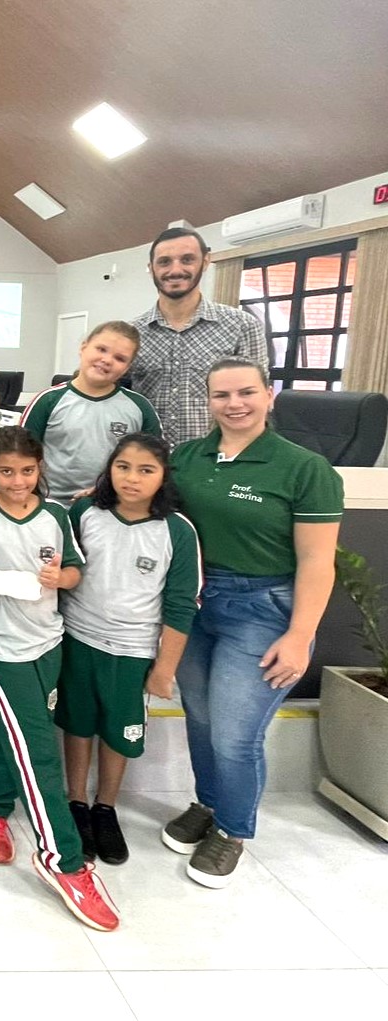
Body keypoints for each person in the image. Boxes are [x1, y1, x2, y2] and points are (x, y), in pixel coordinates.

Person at [163, 357, 342, 888]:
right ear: (208, 401)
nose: (234, 404)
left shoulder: (304, 469)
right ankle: (209, 804)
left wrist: (300, 636)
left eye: (246, 392)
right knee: (200, 717)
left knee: (235, 733)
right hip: (197, 602)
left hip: (262, 609)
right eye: (221, 395)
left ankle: (233, 830)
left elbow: (317, 561)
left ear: (269, 395)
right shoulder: (187, 458)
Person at [0, 426, 120, 931]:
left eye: (27, 471)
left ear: (40, 469)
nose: (17, 480)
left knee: (15, 731)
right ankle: (62, 859)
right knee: (38, 749)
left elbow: (75, 570)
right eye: (6, 471)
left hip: (47, 641)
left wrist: (59, 578)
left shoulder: (55, 516)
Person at [58, 434, 201, 865]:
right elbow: (64, 569)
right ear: (109, 469)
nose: (132, 478)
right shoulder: (85, 512)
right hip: (78, 637)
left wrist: (164, 669)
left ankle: (105, 807)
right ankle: (76, 801)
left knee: (119, 730)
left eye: (146, 470)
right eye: (122, 467)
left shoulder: (177, 530)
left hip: (133, 649)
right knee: (78, 723)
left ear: (164, 476)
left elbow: (181, 605)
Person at [131, 226, 268, 447]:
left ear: (205, 262)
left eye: (187, 260)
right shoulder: (133, 333)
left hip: (213, 457)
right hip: (149, 458)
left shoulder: (242, 326)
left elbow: (254, 400)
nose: (175, 270)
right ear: (151, 268)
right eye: (164, 262)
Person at [21, 322, 160, 505]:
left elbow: (154, 464)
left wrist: (107, 488)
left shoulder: (140, 408)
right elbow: (20, 457)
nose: (107, 360)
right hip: (50, 506)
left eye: (119, 358)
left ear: (127, 368)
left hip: (111, 507)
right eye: (101, 349)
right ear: (83, 347)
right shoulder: (47, 401)